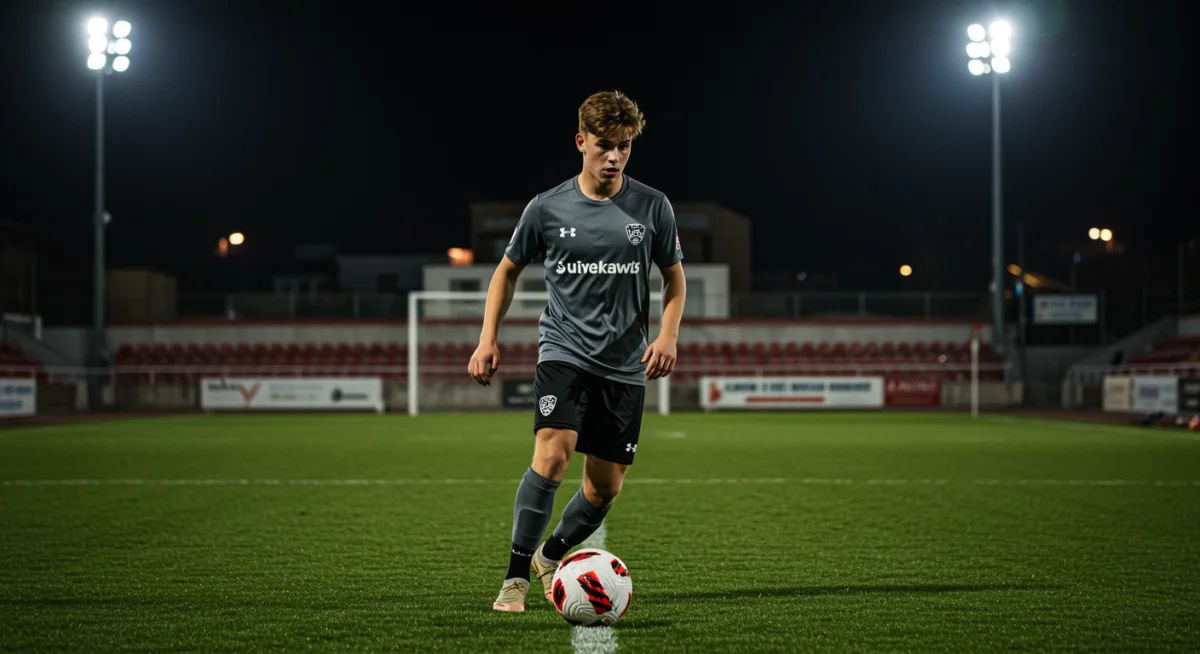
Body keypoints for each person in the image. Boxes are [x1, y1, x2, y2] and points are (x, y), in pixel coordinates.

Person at [467, 90, 687, 612]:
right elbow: (507, 270)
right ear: (581, 141)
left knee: (604, 490)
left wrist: (668, 334)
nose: (614, 157)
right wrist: (487, 336)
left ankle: (551, 554)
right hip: (563, 350)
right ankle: (516, 578)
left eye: (625, 147)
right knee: (552, 453)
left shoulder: (653, 206)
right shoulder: (546, 207)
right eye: (605, 145)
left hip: (625, 364)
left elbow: (674, 279)